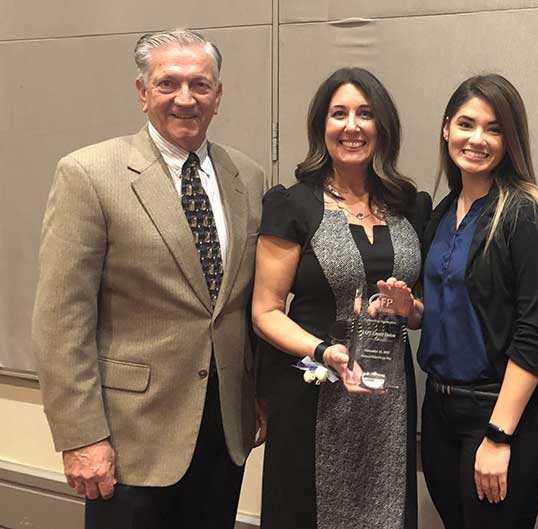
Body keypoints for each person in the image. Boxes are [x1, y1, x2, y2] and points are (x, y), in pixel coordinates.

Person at [30, 29, 266, 529]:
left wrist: (256, 396)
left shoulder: (247, 176)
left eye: (200, 85)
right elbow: (61, 320)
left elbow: (240, 305)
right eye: (168, 84)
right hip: (129, 437)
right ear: (142, 93)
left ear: (218, 96)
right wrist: (81, 437)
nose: (185, 98)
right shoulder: (89, 174)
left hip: (224, 431)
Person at [252, 67, 430, 529]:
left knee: (385, 511)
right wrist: (320, 351)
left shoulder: (411, 205)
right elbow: (264, 312)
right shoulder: (292, 205)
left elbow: (420, 312)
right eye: (339, 114)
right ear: (321, 126)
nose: (352, 126)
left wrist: (408, 309)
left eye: (365, 114)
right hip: (312, 388)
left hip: (387, 398)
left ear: (382, 127)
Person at [414, 74, 538, 529]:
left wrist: (499, 435)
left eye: (494, 128)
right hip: (441, 412)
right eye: (466, 124)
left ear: (511, 139)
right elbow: (458, 309)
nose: (477, 139)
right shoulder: (442, 212)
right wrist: (412, 311)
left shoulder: (531, 213)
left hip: (505, 416)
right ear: (446, 129)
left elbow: (536, 333)